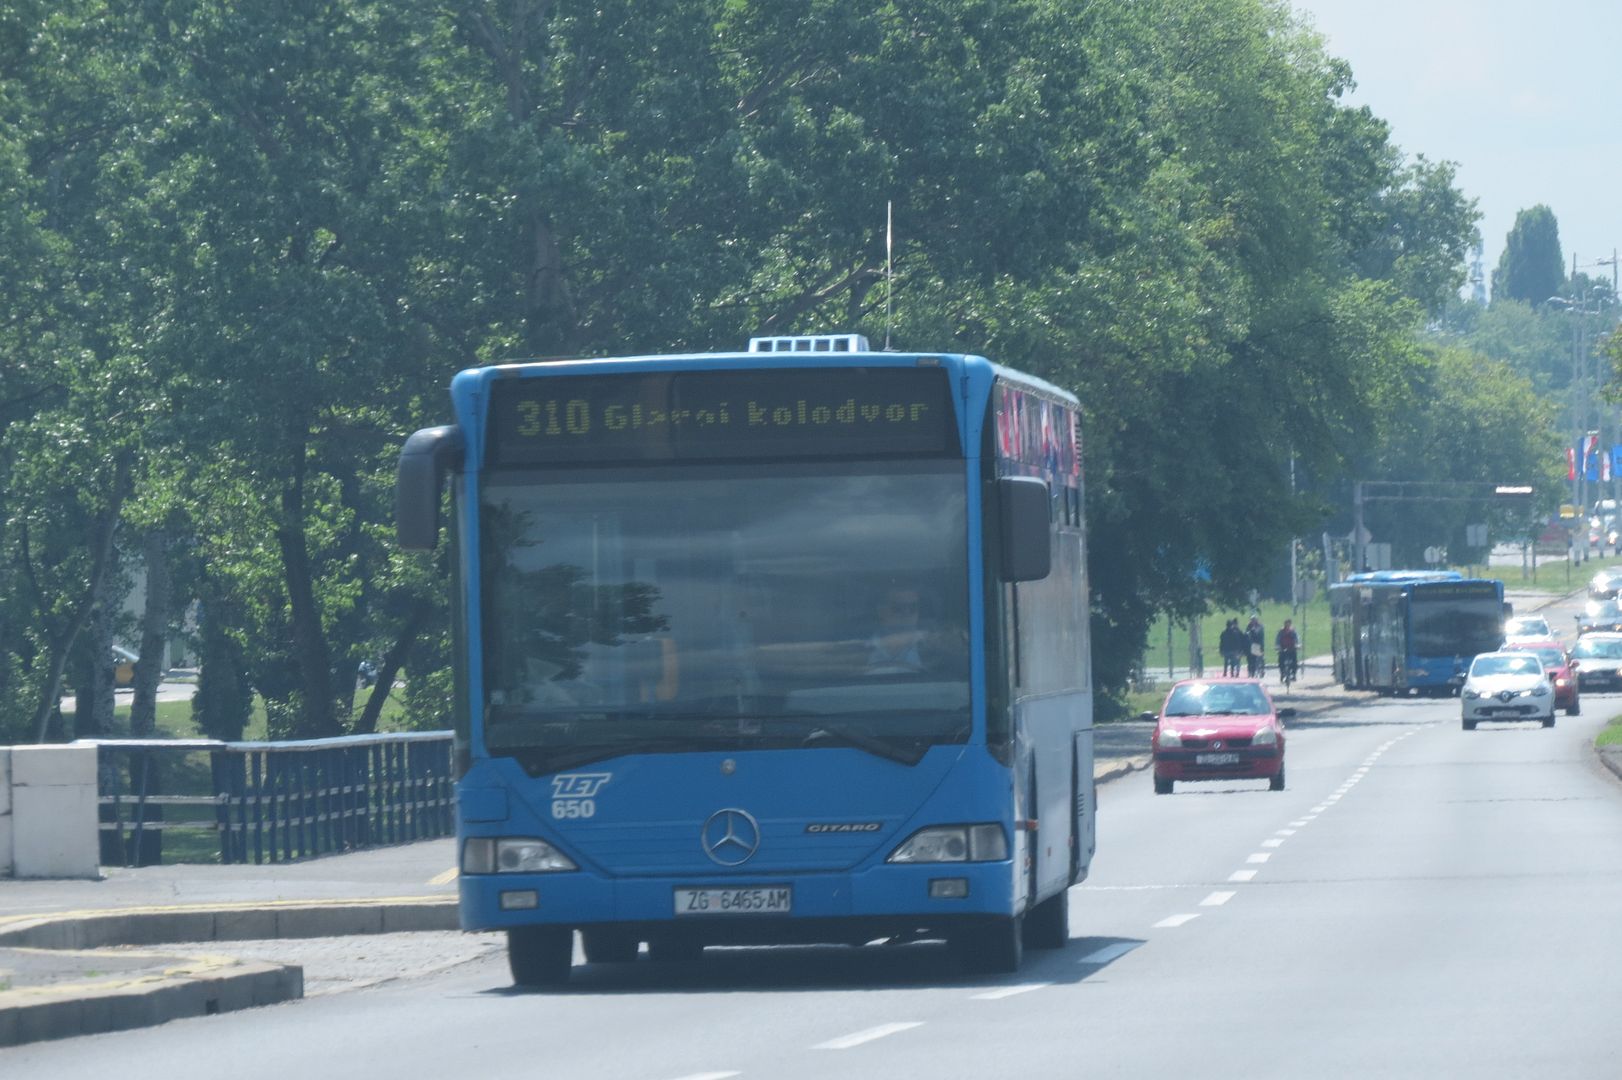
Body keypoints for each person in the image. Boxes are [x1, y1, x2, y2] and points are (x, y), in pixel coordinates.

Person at [1275, 618, 1300, 683]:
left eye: (1289, 624)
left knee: (1294, 661)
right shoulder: (1281, 631)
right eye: (1286, 624)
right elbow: (1278, 639)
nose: (1287, 625)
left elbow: (1296, 639)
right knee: (1281, 660)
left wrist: (1297, 645)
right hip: (1283, 648)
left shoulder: (1293, 631)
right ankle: (1282, 672)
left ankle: (1293, 674)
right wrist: (1277, 646)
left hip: (1292, 648)